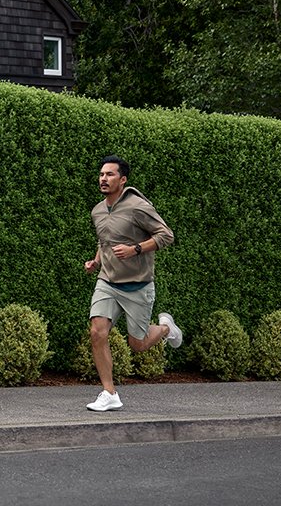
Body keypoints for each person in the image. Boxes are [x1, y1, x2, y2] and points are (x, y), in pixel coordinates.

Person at [83, 156, 183, 411]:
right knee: (97, 331)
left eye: (110, 175)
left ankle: (164, 328)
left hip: (137, 285)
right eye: (101, 174)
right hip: (107, 281)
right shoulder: (97, 210)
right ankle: (109, 393)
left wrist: (136, 249)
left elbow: (166, 235)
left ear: (123, 179)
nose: (103, 179)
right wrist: (96, 262)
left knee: (137, 345)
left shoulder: (138, 206)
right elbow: (104, 241)